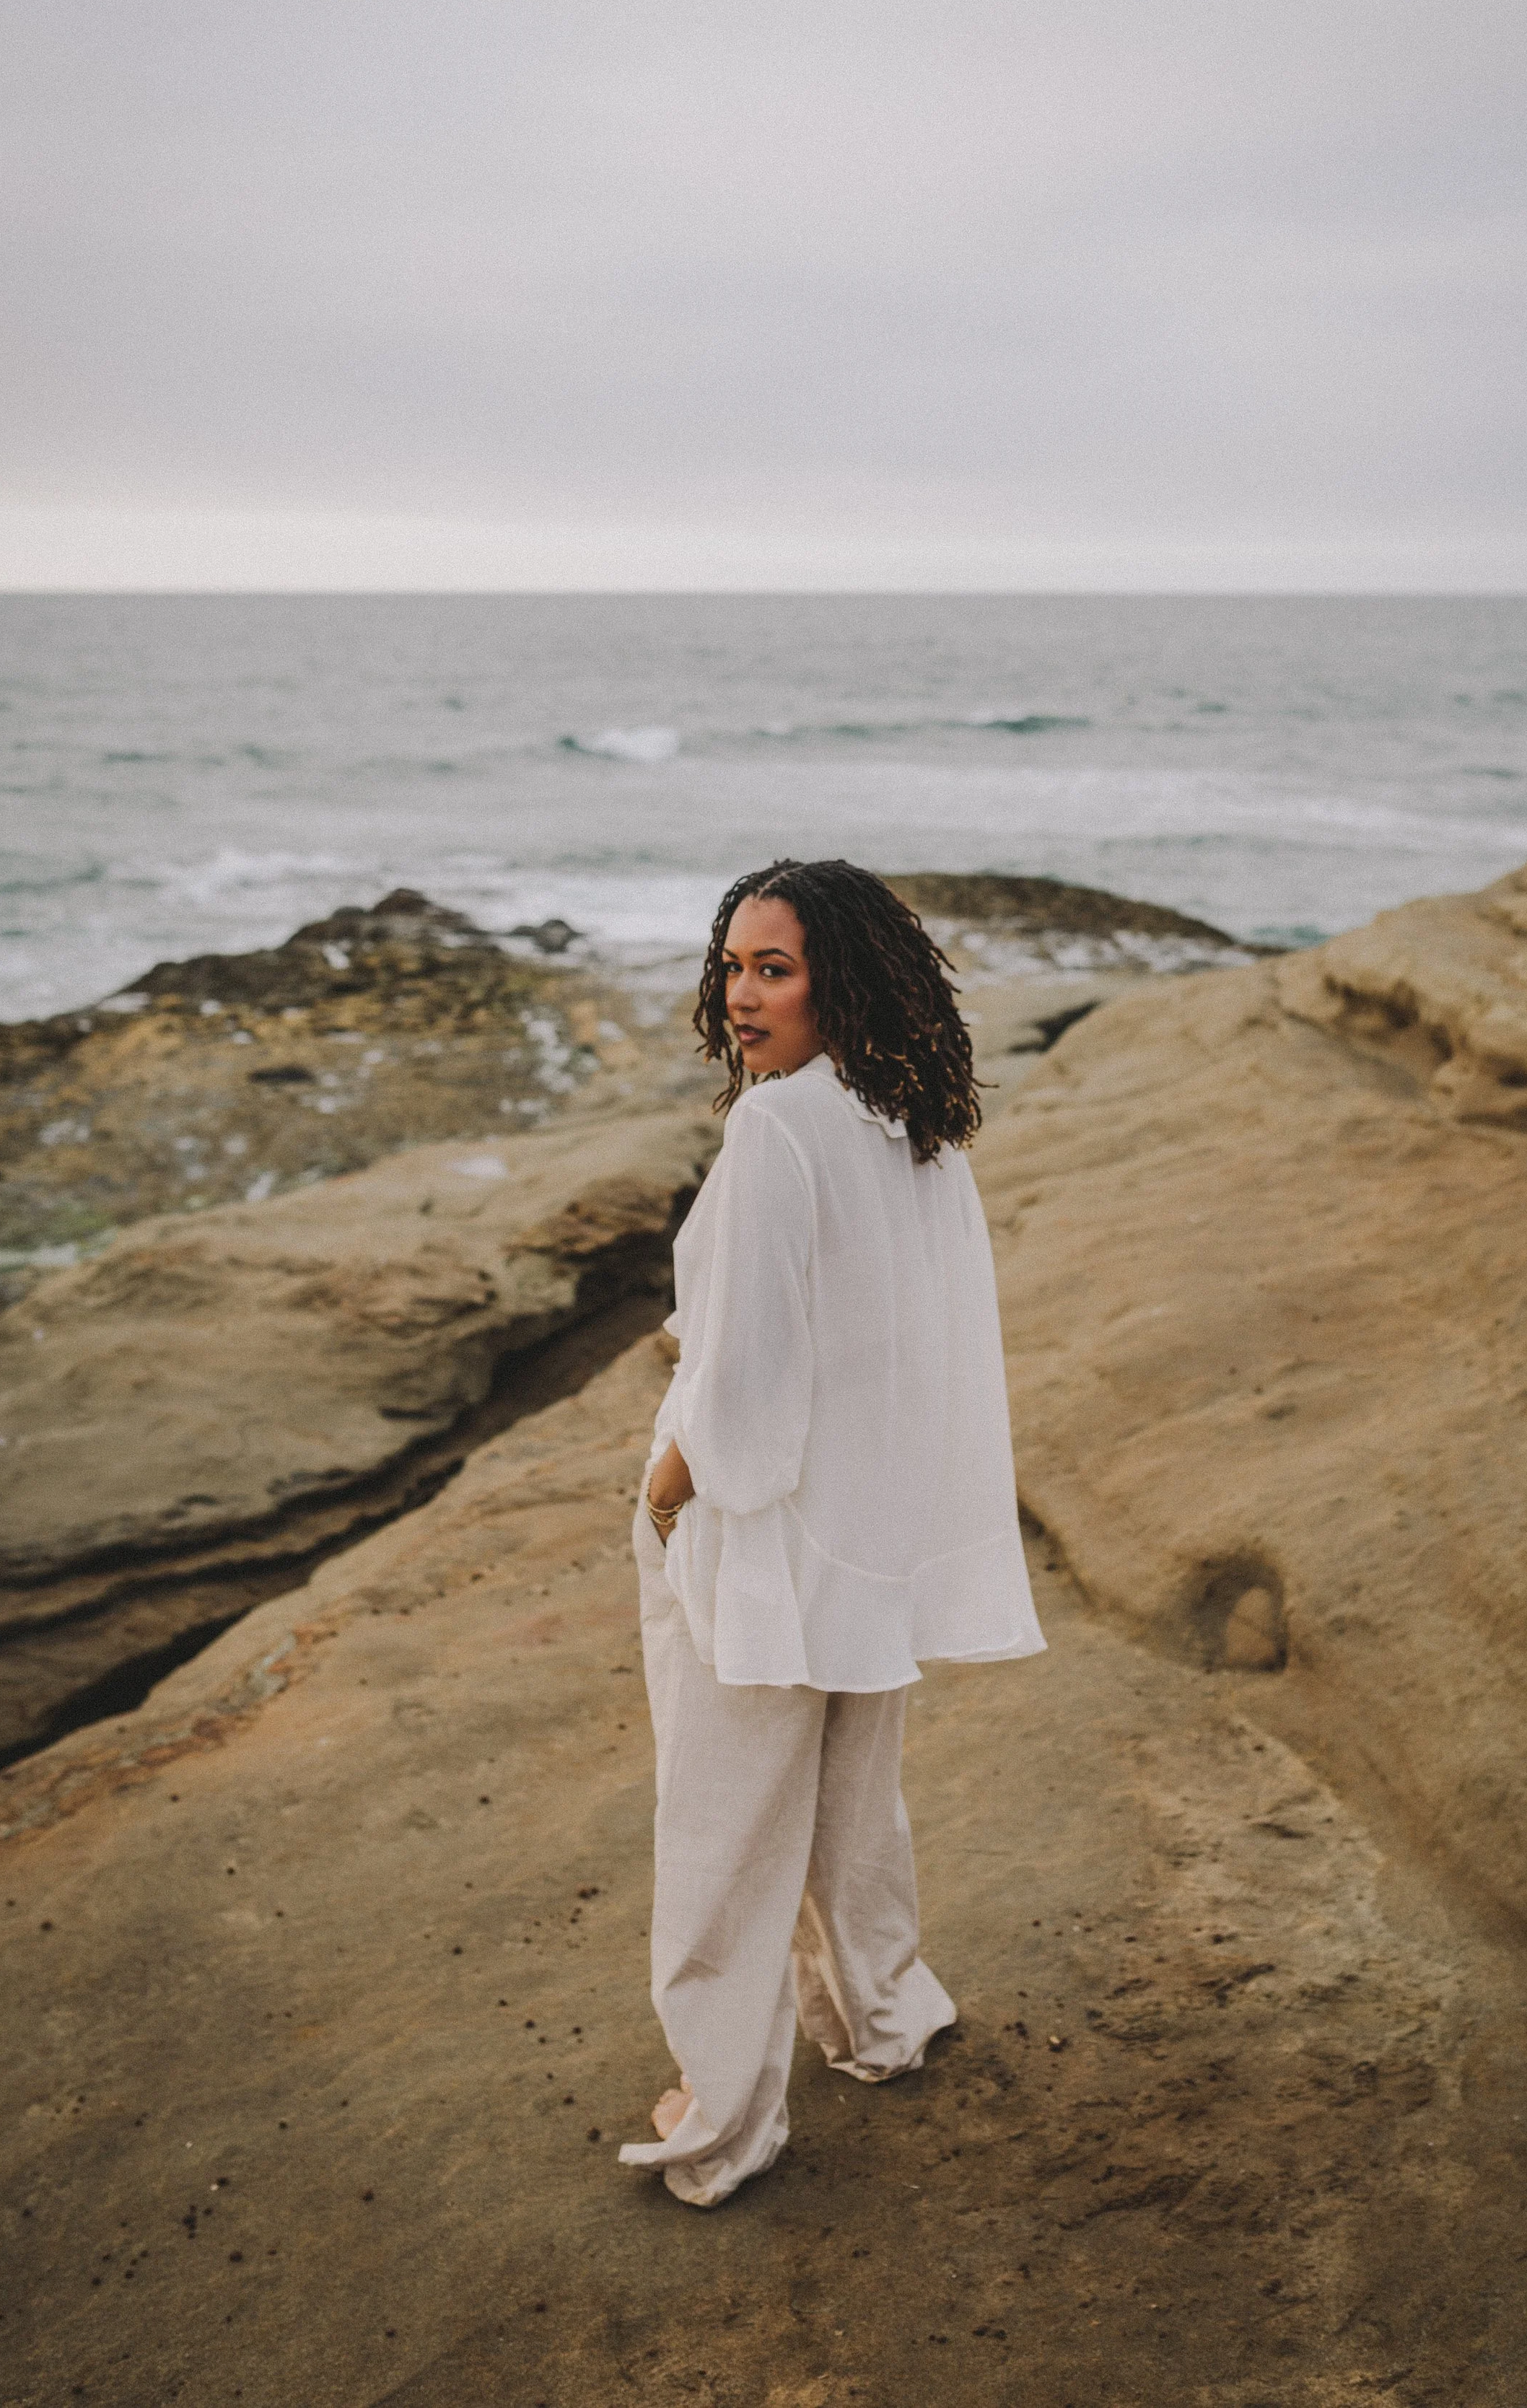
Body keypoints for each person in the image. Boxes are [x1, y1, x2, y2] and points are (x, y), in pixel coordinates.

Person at [618, 857, 1045, 2207]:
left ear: (838, 978)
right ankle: (883, 2020)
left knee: (725, 1832)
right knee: (853, 1813)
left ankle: (724, 2119)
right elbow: (918, 1339)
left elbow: (747, 1377)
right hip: (866, 1531)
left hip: (764, 1530)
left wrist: (670, 1488)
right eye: (733, 965)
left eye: (774, 968)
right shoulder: (905, 1116)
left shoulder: (781, 1129)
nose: (742, 995)